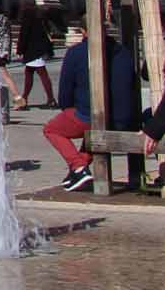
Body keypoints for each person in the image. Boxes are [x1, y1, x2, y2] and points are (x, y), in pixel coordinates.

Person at [47, 13, 138, 190]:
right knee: (91, 126)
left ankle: (79, 167)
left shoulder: (76, 53)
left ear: (83, 31)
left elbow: (65, 94)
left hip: (96, 116)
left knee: (52, 129)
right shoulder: (124, 52)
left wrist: (68, 109)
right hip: (125, 118)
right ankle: (77, 169)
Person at [16, 0, 54, 108]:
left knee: (40, 74)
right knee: (31, 73)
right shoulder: (39, 13)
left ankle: (50, 99)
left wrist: (20, 49)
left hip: (32, 49)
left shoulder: (27, 15)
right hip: (39, 48)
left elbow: (24, 34)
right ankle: (25, 98)